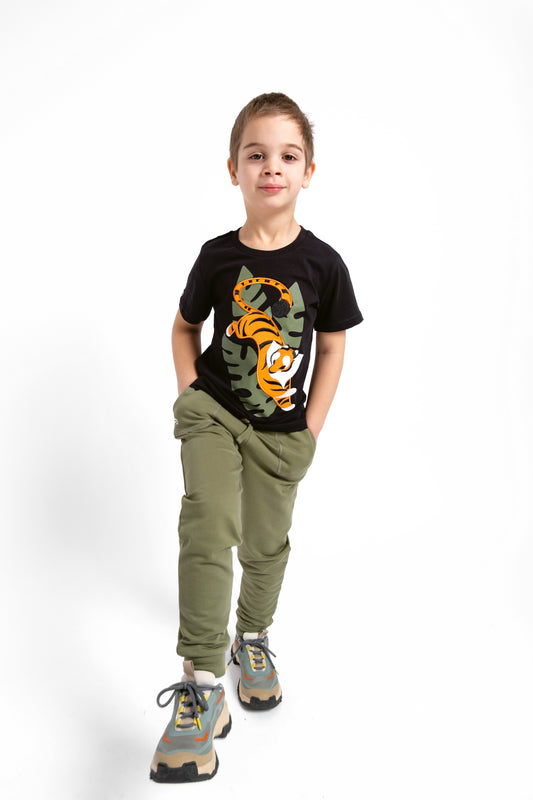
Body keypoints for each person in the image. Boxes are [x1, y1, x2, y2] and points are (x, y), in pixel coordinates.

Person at [150, 92, 363, 783]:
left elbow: (332, 347)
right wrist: (190, 395)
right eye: (256, 154)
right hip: (214, 411)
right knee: (208, 525)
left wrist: (311, 429)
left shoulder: (324, 264)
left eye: (287, 155)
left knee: (266, 545)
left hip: (282, 431)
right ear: (233, 169)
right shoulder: (216, 258)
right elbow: (184, 327)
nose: (272, 166)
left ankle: (252, 637)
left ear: (308, 172)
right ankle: (203, 685)